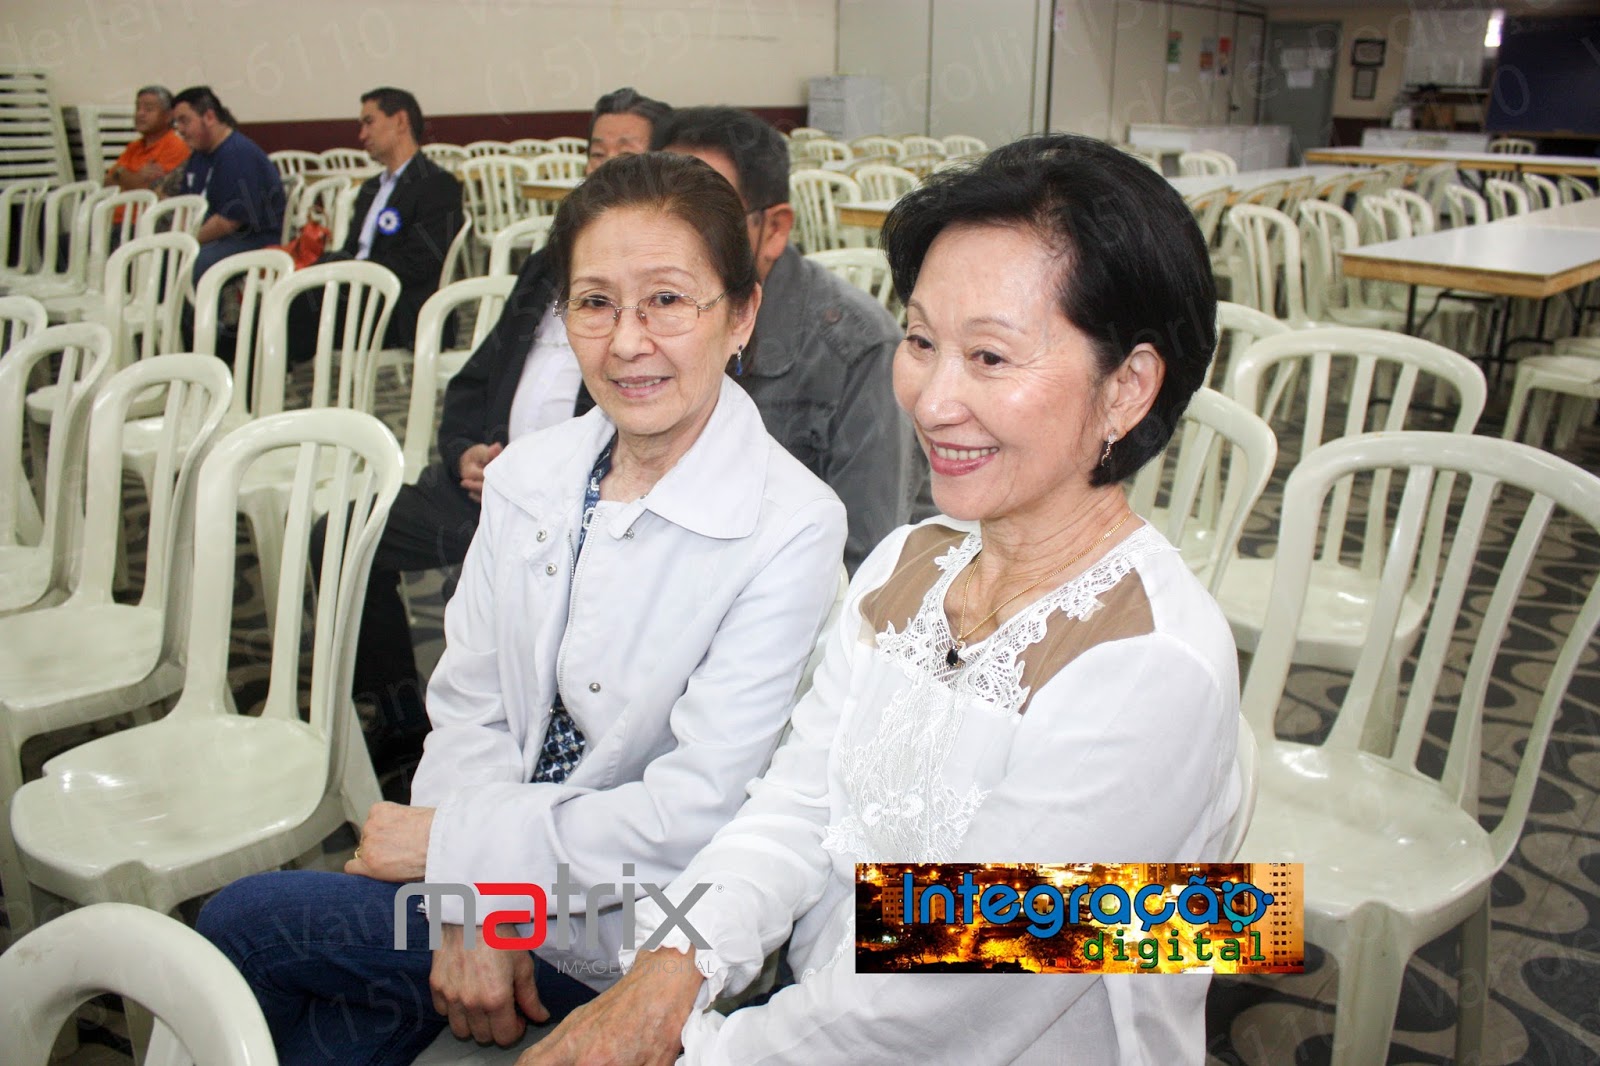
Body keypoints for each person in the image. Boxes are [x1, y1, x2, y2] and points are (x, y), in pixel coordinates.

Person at [521, 135, 1244, 1065]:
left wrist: (699, 1048)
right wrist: (673, 966)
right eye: (921, 341)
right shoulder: (910, 563)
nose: (933, 400)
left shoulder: (1150, 668)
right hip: (810, 1018)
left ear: (1128, 387)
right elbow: (795, 808)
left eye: (990, 356)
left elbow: (944, 999)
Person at [198, 150, 849, 1066]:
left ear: (740, 315)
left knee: (250, 925)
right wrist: (470, 900)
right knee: (334, 1019)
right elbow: (471, 708)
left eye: (667, 301)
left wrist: (458, 852)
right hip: (494, 874)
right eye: (594, 303)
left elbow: (688, 818)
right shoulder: (532, 476)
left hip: (641, 921)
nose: (627, 342)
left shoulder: (790, 523)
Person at [346, 87, 670, 771]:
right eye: (596, 152)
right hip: (483, 485)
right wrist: (463, 451)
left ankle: (519, 749)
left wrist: (534, 478)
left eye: (627, 153)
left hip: (566, 512)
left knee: (493, 606)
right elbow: (475, 379)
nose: (605, 167)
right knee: (346, 537)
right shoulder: (549, 265)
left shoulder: (664, 298)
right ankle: (402, 724)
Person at [654, 106, 906, 573]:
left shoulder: (857, 350)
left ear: (772, 230)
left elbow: (866, 562)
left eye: (706, 217)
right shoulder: (641, 322)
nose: (673, 240)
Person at [286, 87, 463, 359]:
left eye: (369, 123)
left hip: (398, 304)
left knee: (293, 306)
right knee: (284, 297)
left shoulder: (437, 185)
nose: (362, 135)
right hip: (355, 292)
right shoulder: (371, 189)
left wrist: (353, 272)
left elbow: (421, 262)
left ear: (400, 121)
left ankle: (247, 369)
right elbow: (353, 249)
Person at [170, 85, 285, 280]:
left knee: (193, 263)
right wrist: (176, 241)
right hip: (215, 237)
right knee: (161, 257)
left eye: (184, 121)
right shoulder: (199, 155)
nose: (179, 130)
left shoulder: (238, 154)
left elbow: (228, 223)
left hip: (253, 240)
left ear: (209, 117)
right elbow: (185, 205)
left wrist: (185, 242)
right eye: (176, 123)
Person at [104, 85, 188, 193]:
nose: (140, 114)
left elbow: (149, 190)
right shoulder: (134, 146)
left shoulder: (176, 146)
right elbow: (107, 183)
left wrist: (120, 174)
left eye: (149, 109)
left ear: (168, 116)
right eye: (138, 108)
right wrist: (130, 175)